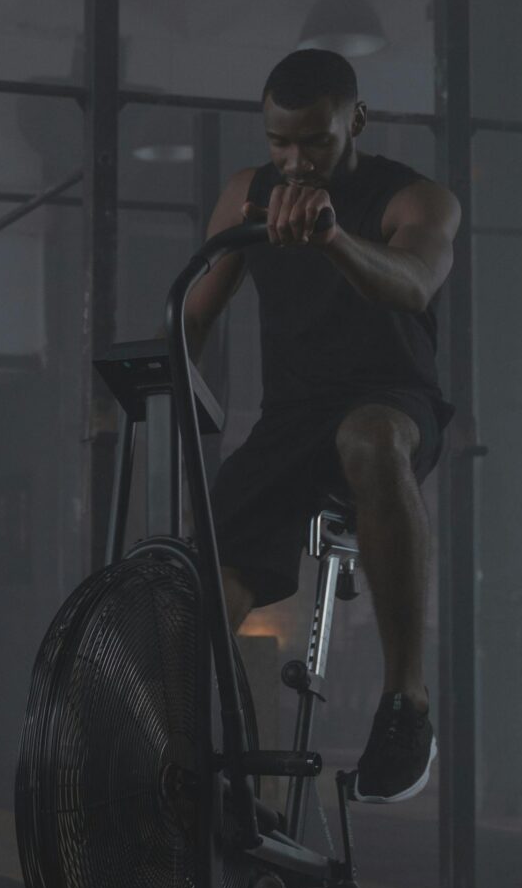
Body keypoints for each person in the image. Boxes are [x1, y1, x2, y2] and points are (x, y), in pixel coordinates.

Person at [183, 47, 460, 804]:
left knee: (365, 439)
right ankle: (189, 741)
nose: (294, 159)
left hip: (391, 402)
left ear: (355, 122)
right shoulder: (248, 192)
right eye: (279, 142)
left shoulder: (416, 200)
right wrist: (139, 386)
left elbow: (410, 284)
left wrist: (333, 238)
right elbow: (192, 316)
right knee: (215, 565)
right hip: (290, 418)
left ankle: (406, 705)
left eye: (314, 141)